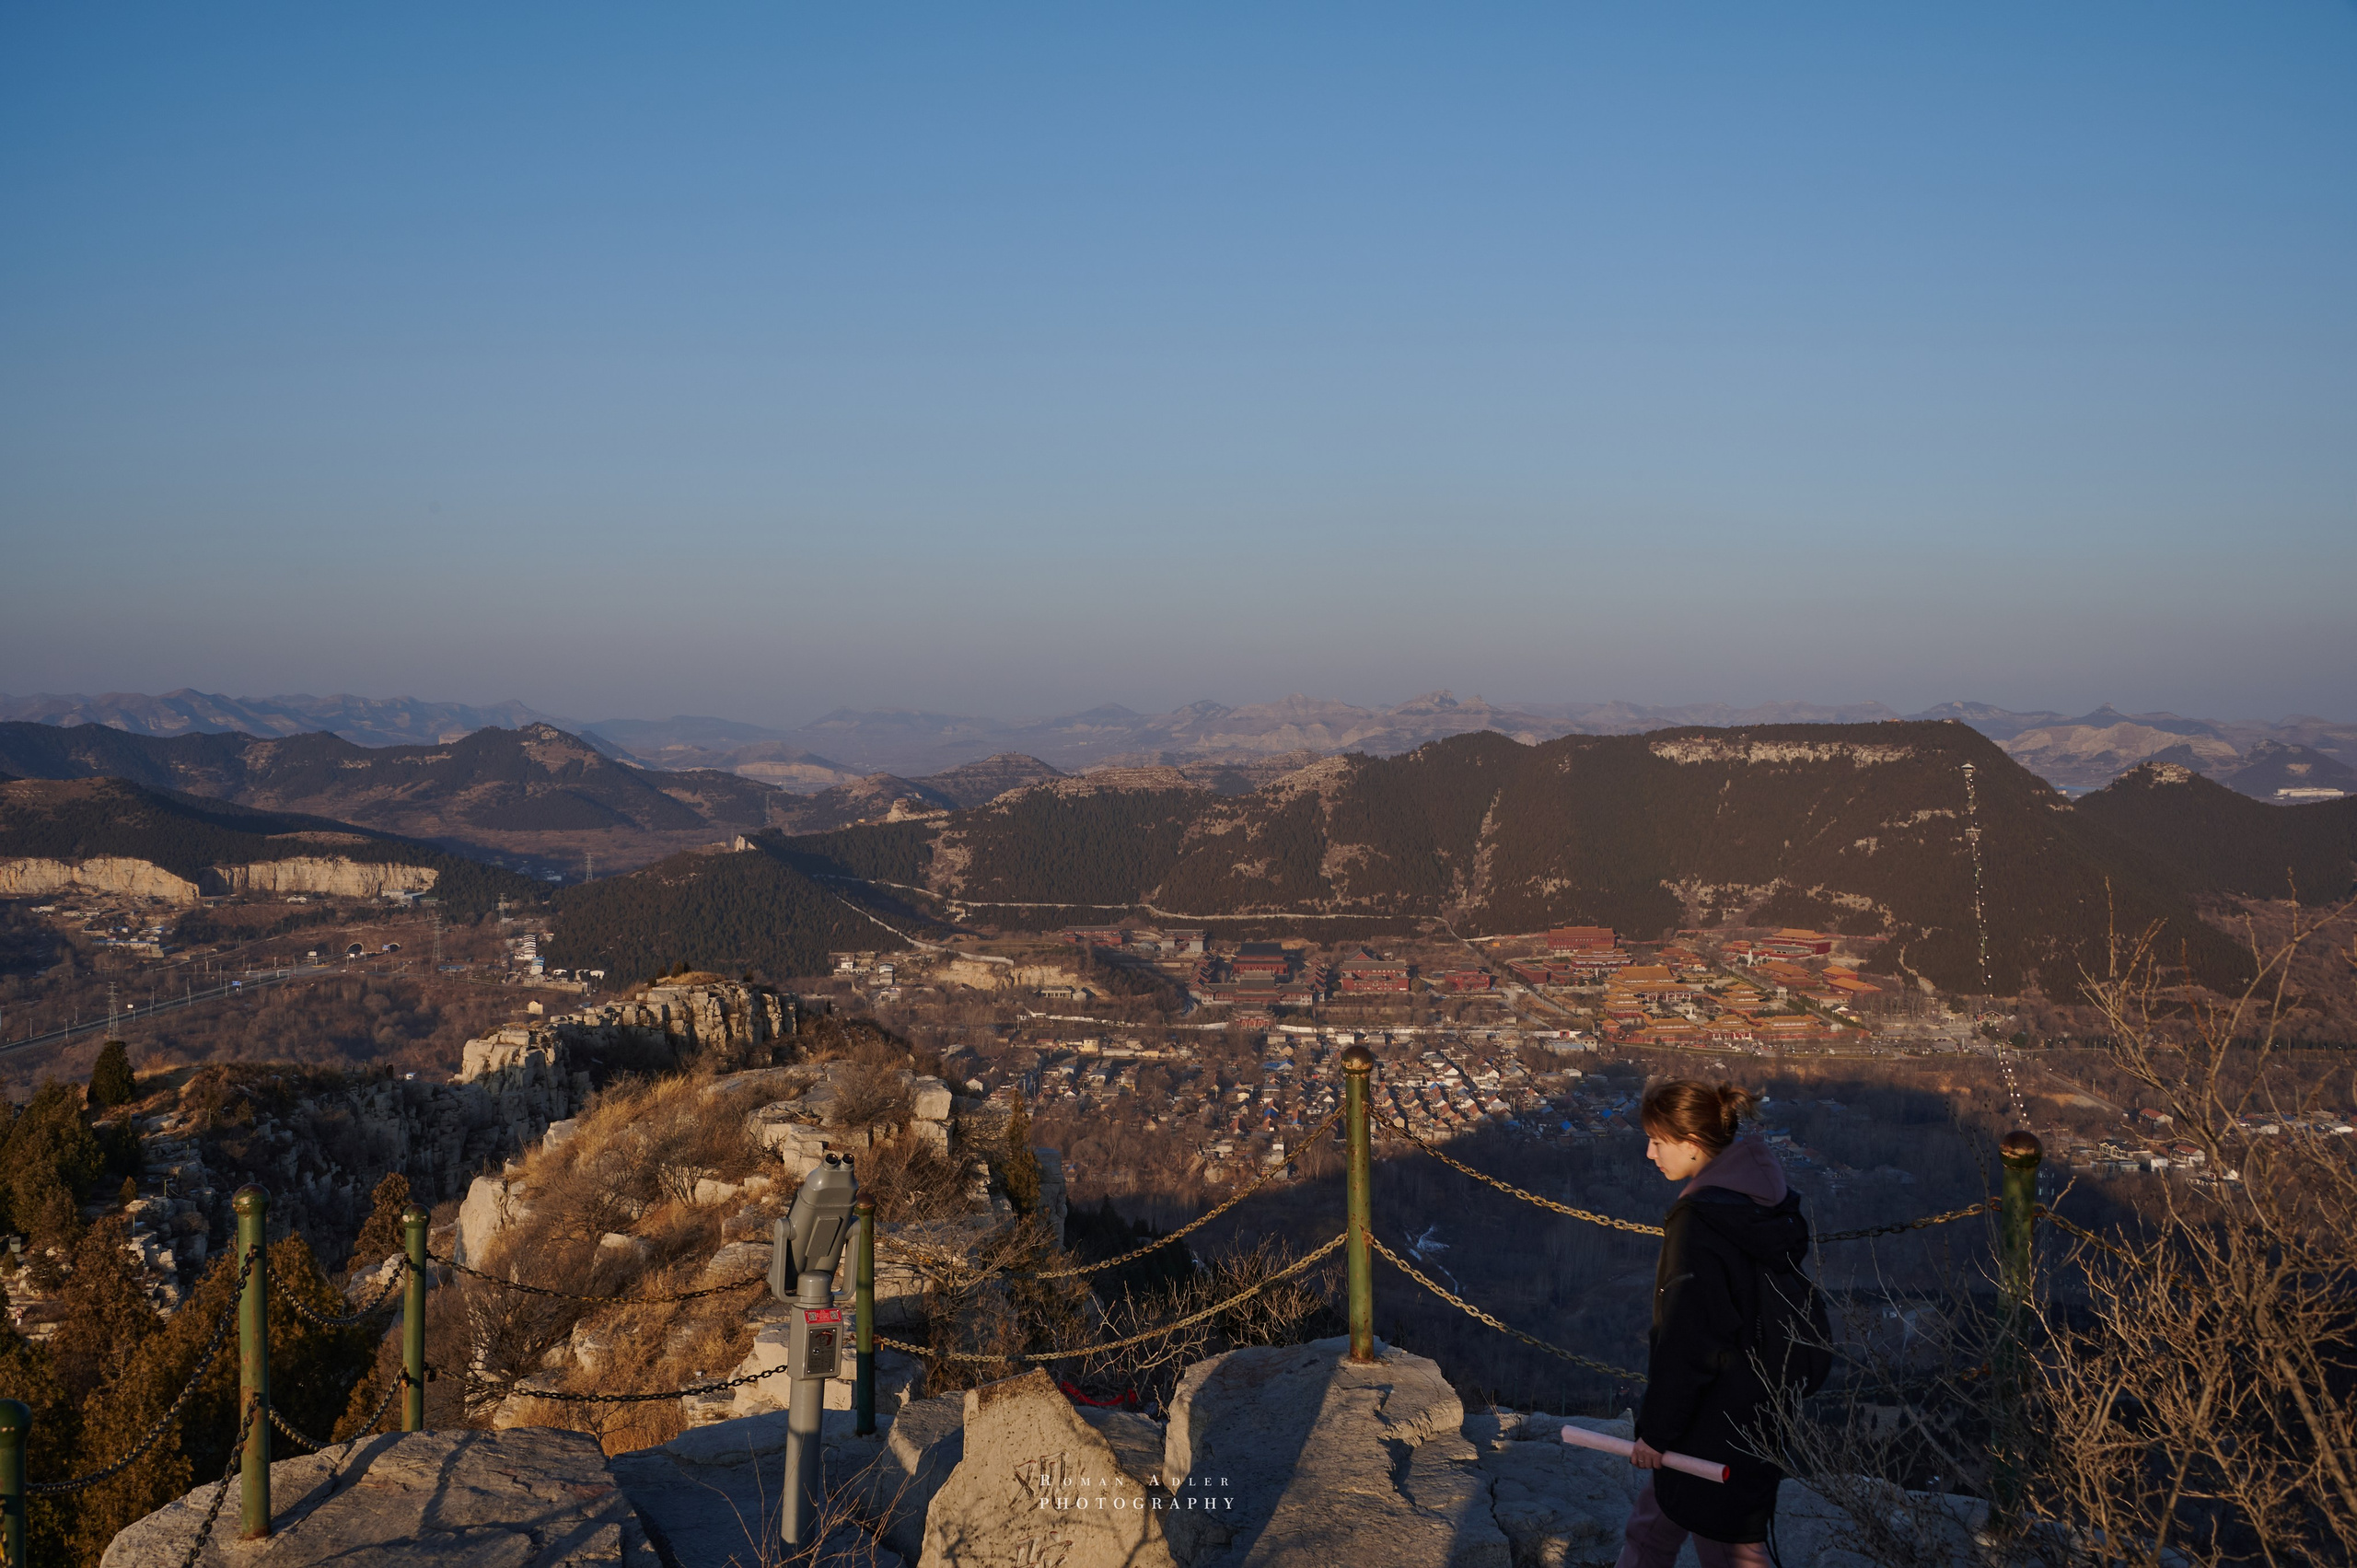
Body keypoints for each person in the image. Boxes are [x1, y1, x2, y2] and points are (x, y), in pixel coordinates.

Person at [1615, 1079, 1810, 1568]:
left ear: (1692, 1143)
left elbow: (1689, 1338)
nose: (1649, 1153)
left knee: (1727, 1548)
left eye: (1657, 1141)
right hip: (1758, 1401)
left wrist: (1656, 1432)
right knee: (1655, 1526)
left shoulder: (1701, 1222)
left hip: (1713, 1418)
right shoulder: (1764, 1200)